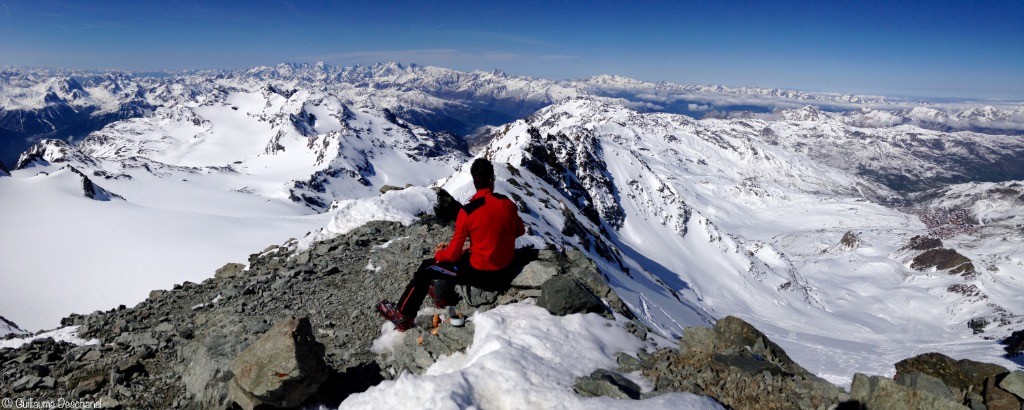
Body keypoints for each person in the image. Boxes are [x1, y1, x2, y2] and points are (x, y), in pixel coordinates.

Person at [377, 158, 526, 331]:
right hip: (505, 269)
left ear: (474, 181)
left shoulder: (468, 211)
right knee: (463, 256)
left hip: (483, 275)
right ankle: (442, 297)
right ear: (492, 180)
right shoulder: (507, 203)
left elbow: (451, 255)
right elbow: (519, 231)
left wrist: (439, 253)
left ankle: (403, 316)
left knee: (428, 268)